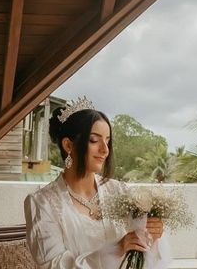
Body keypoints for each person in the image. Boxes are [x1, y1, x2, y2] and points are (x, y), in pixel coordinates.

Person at [24, 97, 166, 268]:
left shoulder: (118, 191)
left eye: (107, 141)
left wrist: (151, 234)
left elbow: (145, 254)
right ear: (68, 145)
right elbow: (53, 264)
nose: (105, 150)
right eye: (94, 140)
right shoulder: (42, 203)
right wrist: (117, 249)